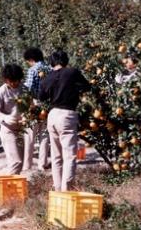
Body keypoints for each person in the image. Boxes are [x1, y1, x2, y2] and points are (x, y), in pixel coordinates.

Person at [39, 49, 90, 191]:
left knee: (56, 156)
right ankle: (67, 189)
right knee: (69, 156)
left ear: (52, 63)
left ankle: (57, 188)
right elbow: (87, 86)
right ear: (66, 61)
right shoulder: (72, 72)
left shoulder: (47, 78)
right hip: (67, 115)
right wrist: (74, 89)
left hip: (52, 115)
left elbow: (41, 97)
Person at [0, 64, 24, 175]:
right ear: (6, 80)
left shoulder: (24, 90)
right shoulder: (0, 92)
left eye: (17, 81)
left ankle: (11, 184)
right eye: (11, 81)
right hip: (8, 130)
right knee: (16, 162)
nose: (14, 83)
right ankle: (10, 189)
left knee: (19, 162)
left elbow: (30, 107)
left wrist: (28, 116)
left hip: (21, 130)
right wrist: (5, 117)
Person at [23, 47, 50, 171]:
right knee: (44, 135)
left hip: (34, 103)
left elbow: (28, 88)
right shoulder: (49, 68)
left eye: (28, 61)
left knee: (30, 135)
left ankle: (27, 165)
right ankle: (42, 164)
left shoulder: (32, 70)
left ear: (31, 59)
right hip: (47, 105)